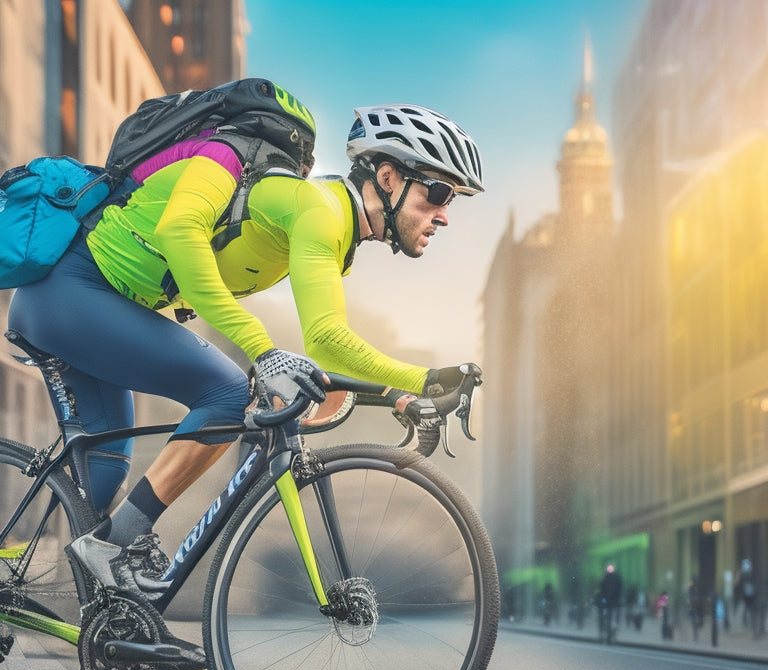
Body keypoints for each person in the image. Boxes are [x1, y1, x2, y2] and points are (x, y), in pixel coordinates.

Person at [6, 97, 484, 601]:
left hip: (95, 304)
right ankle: (115, 549)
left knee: (104, 473)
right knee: (228, 392)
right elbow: (179, 231)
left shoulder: (331, 228)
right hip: (70, 291)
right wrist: (263, 350)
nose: (444, 215)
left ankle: (97, 639)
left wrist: (406, 395)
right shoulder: (314, 209)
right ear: (388, 179)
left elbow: (328, 343)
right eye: (437, 193)